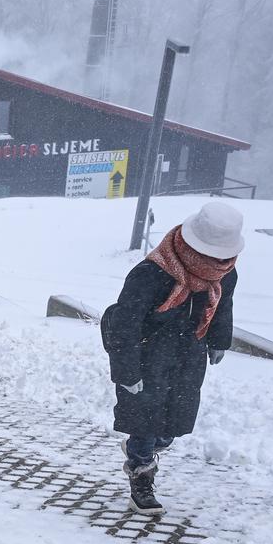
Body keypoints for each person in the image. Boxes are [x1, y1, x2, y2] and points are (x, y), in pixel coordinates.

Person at [101, 201, 244, 516]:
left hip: (190, 355)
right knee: (146, 421)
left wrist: (219, 340)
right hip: (148, 354)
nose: (221, 261)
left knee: (172, 425)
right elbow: (125, 323)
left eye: (224, 256)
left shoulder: (224, 273)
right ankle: (140, 473)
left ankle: (145, 448)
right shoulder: (152, 272)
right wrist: (127, 372)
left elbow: (223, 305)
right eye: (214, 255)